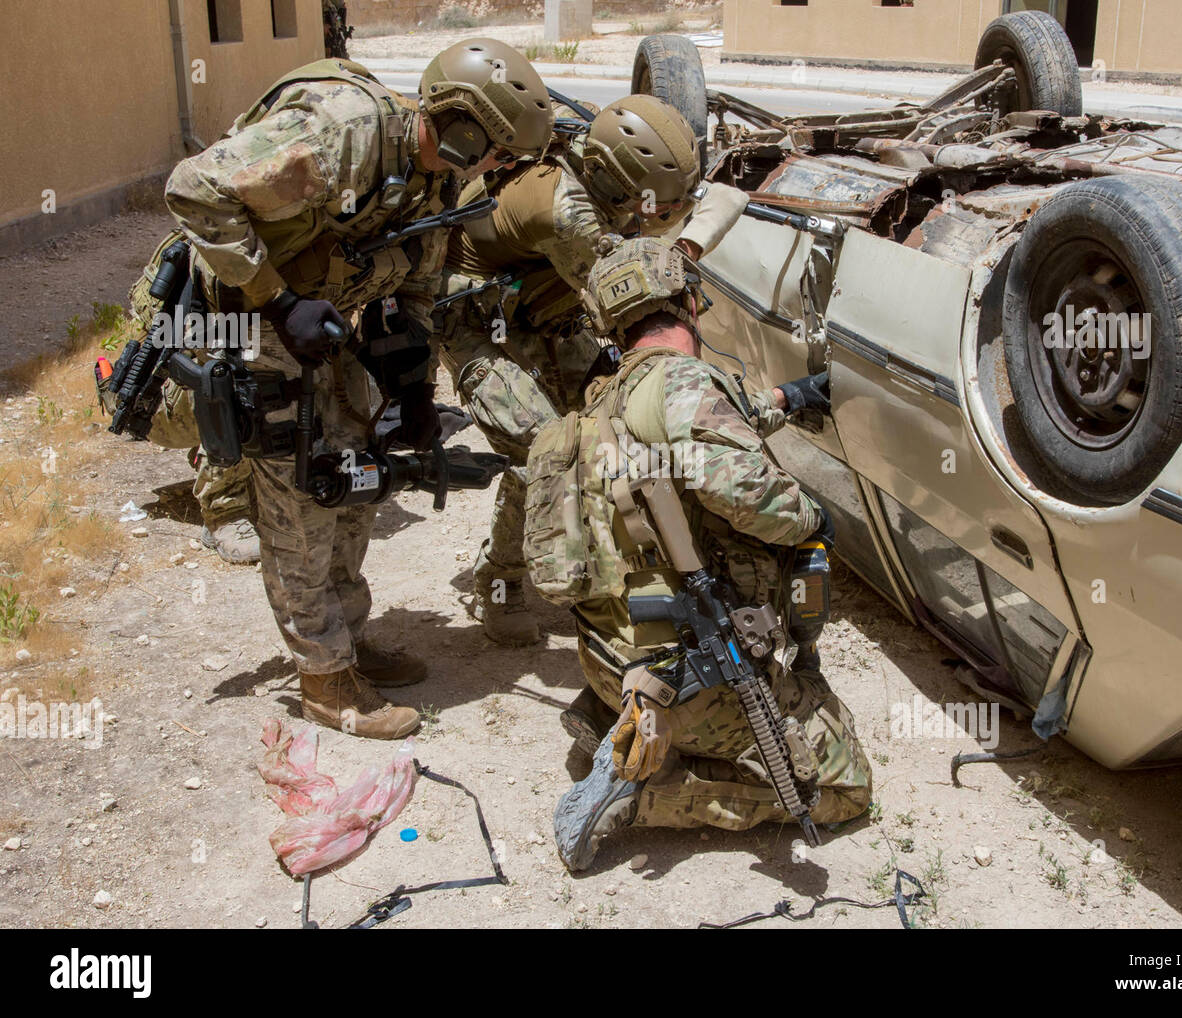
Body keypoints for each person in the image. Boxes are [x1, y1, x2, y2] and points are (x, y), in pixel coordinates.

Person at [162, 40, 554, 739]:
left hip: (327, 322)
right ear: (465, 126)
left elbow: (419, 286)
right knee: (302, 491)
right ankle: (323, 678)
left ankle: (347, 637)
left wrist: (410, 388)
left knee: (357, 481)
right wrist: (277, 301)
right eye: (496, 151)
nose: (501, 168)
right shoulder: (344, 131)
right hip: (252, 316)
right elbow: (194, 188)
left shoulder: (434, 180)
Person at [531, 237, 872, 871]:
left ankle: (611, 719)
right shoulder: (686, 381)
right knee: (845, 787)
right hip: (687, 676)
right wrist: (812, 517)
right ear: (689, 301)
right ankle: (645, 797)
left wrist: (787, 400)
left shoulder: (603, 400)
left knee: (812, 703)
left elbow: (699, 426)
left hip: (614, 655)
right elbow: (741, 489)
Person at [437, 93, 750, 647]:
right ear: (617, 181)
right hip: (478, 328)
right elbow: (635, 287)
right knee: (547, 451)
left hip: (546, 313)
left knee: (621, 422)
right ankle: (502, 580)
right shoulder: (565, 212)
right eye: (650, 201)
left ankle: (629, 554)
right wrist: (700, 233)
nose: (655, 212)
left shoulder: (596, 164)